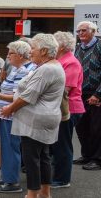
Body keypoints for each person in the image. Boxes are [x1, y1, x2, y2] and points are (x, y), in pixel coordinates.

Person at [0, 33, 65, 198]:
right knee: (42, 157)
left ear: (43, 51)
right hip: (43, 118)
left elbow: (29, 95)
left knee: (32, 159)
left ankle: (32, 194)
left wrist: (10, 108)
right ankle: (44, 192)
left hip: (36, 120)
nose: (31, 52)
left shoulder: (47, 69)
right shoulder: (51, 66)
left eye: (34, 48)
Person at [0, 40, 35, 193]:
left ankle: (12, 181)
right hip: (6, 113)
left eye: (10, 53)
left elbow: (18, 96)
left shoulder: (24, 71)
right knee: (7, 147)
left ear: (20, 55)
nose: (8, 56)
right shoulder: (17, 68)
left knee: (11, 147)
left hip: (12, 114)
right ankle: (7, 177)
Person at [50, 31, 85, 188]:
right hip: (63, 108)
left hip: (69, 108)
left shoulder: (70, 62)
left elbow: (66, 89)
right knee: (57, 144)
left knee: (62, 145)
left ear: (62, 46)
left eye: (54, 43)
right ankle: (57, 175)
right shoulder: (62, 60)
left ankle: (62, 179)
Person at [73, 21, 101, 171]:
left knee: (96, 128)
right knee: (81, 126)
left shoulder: (100, 46)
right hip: (80, 93)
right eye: (78, 31)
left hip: (96, 94)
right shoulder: (78, 48)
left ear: (93, 31)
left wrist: (98, 94)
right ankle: (87, 155)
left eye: (83, 30)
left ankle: (97, 159)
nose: (80, 34)